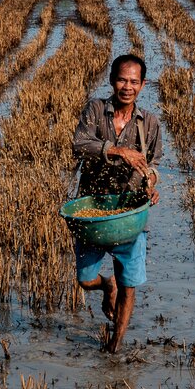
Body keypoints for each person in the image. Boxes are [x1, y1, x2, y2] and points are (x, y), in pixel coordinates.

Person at [72, 54, 162, 353]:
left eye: (134, 81)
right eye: (122, 80)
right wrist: (118, 150)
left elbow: (153, 165)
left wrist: (151, 184)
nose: (128, 86)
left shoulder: (149, 122)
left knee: (129, 284)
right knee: (85, 279)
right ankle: (105, 285)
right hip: (94, 208)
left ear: (143, 85)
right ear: (112, 81)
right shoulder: (96, 110)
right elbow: (80, 144)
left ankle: (114, 345)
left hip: (130, 212)